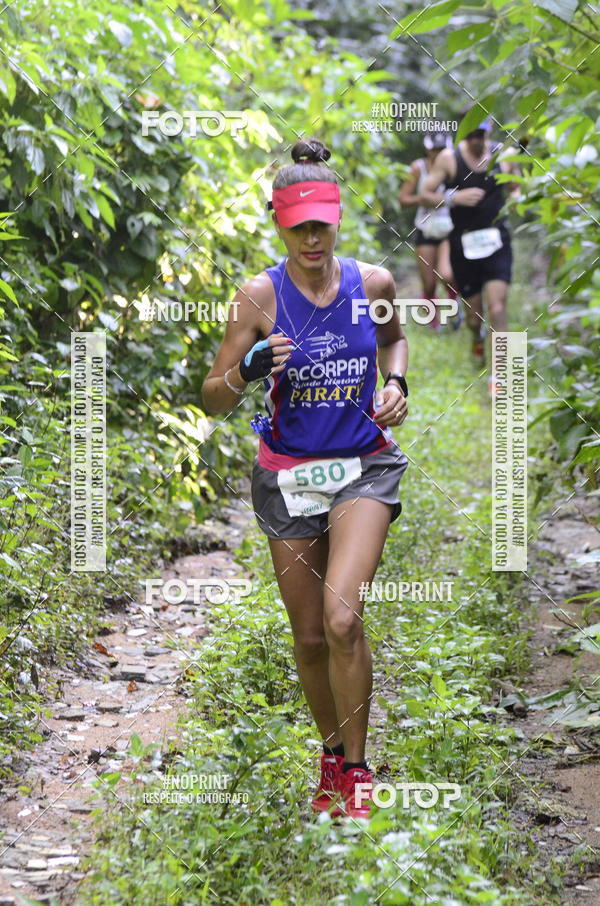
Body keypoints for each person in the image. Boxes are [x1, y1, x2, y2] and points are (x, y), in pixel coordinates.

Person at [201, 138, 409, 820]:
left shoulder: (371, 283)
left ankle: (357, 770)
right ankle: (328, 759)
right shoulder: (258, 297)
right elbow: (212, 396)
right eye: (299, 226)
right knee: (310, 635)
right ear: (279, 223)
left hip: (362, 468)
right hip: (288, 476)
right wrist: (252, 366)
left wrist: (398, 381)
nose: (313, 238)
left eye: (323, 222)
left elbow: (393, 339)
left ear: (337, 218)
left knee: (343, 617)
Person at [420, 117, 520, 384]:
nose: (477, 139)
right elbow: (425, 194)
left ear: (489, 132)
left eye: (482, 133)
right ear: (465, 133)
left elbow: (516, 187)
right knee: (475, 317)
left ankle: (500, 375)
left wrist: (518, 195)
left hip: (497, 241)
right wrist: (454, 198)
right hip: (463, 244)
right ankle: (476, 337)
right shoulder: (449, 159)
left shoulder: (504, 154)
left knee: (497, 308)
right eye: (472, 133)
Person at [398, 132, 459, 331]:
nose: (438, 154)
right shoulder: (418, 168)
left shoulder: (455, 164)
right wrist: (426, 199)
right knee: (429, 283)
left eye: (442, 150)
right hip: (425, 229)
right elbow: (403, 198)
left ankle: (454, 305)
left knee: (447, 274)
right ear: (427, 149)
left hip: (449, 228)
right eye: (435, 150)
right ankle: (434, 321)